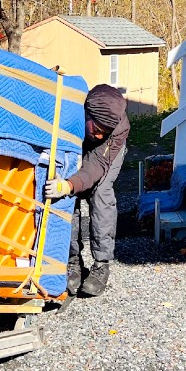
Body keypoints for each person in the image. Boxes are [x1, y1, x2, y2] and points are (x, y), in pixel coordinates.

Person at [45, 84, 130, 297]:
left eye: (105, 133)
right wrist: (66, 185)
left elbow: (96, 166)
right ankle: (72, 261)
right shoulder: (71, 112)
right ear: (87, 116)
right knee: (66, 197)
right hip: (75, 144)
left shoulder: (118, 129)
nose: (100, 136)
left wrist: (70, 184)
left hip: (105, 157)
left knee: (100, 193)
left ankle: (101, 264)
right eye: (97, 130)